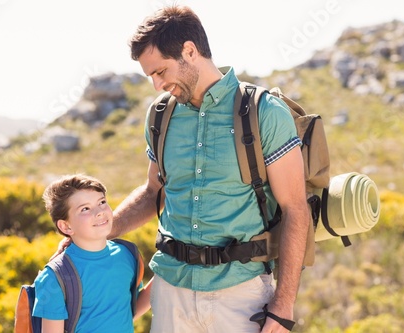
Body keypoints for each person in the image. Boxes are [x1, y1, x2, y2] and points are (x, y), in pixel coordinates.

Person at [105, 5, 311, 333]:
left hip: (242, 296)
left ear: (190, 51)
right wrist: (102, 230)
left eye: (161, 72)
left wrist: (283, 305)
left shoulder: (263, 112)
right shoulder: (159, 116)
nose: (157, 85)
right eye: (150, 77)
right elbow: (152, 193)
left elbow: (296, 210)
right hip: (171, 292)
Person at [33, 174, 151, 333]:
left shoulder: (127, 254)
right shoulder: (55, 277)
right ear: (66, 227)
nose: (99, 212)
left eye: (102, 202)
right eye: (85, 209)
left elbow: (129, 310)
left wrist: (169, 267)